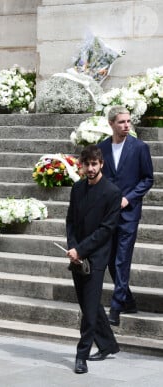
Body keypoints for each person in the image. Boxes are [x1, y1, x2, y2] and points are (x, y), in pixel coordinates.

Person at [65, 145, 122, 374]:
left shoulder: (112, 192)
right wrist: (73, 247)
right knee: (89, 304)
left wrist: (82, 250)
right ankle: (108, 344)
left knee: (88, 310)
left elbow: (106, 230)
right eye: (86, 164)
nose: (90, 168)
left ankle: (82, 356)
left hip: (96, 257)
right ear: (82, 164)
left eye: (94, 164)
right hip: (77, 255)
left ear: (101, 164)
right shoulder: (77, 189)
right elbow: (71, 221)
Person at [97, 106, 154, 326]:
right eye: (122, 122)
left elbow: (147, 179)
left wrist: (128, 198)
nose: (127, 125)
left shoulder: (140, 147)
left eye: (128, 121)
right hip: (108, 214)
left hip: (129, 213)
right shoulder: (102, 148)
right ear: (111, 123)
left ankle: (117, 307)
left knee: (122, 260)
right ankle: (128, 300)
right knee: (112, 260)